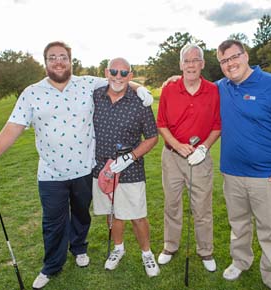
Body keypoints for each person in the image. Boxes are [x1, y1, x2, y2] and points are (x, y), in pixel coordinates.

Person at [0, 41, 153, 289]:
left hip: (84, 169)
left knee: (81, 215)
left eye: (63, 57)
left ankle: (79, 249)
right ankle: (51, 265)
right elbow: (14, 126)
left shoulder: (87, 84)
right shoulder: (31, 92)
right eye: (52, 57)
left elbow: (118, 79)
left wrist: (139, 87)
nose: (58, 61)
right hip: (50, 172)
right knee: (53, 222)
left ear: (71, 61)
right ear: (45, 62)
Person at [216, 39, 271, 290]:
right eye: (224, 61)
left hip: (267, 176)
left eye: (234, 57)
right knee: (238, 225)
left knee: (269, 230)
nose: (230, 64)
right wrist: (169, 81)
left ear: (246, 56)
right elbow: (194, 87)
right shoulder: (221, 87)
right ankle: (241, 261)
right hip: (232, 174)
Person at [91, 57, 160, 277]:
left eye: (123, 73)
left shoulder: (140, 102)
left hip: (130, 169)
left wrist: (130, 157)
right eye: (114, 71)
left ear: (130, 76)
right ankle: (118, 248)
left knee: (138, 215)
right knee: (112, 213)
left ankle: (147, 253)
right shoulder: (95, 96)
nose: (117, 77)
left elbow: (152, 137)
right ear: (106, 72)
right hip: (102, 168)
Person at [156, 43, 221, 272]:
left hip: (200, 159)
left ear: (202, 64)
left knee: (202, 207)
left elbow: (216, 125)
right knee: (172, 204)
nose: (191, 64)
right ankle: (170, 246)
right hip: (172, 156)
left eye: (196, 60)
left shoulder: (213, 90)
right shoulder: (169, 89)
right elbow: (161, 124)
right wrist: (177, 145)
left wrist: (203, 148)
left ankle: (206, 251)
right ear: (180, 64)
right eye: (187, 60)